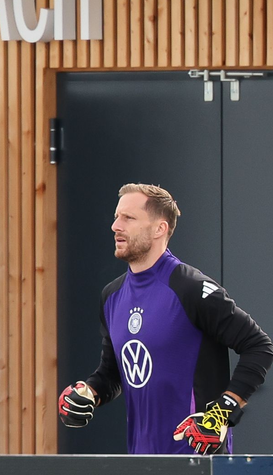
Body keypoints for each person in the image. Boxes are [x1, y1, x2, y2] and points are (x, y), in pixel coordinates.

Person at [58, 183, 273, 454]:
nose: (115, 226)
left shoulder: (190, 288)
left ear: (159, 228)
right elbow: (112, 374)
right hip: (141, 461)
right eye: (116, 216)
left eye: (128, 218)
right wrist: (89, 392)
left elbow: (259, 346)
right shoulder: (111, 296)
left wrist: (223, 410)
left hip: (197, 460)